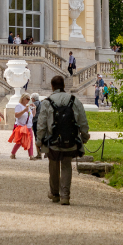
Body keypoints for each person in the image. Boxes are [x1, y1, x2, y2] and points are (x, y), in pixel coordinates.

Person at [37, 75, 90, 205]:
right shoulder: (74, 100)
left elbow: (41, 124)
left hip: (53, 140)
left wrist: (39, 141)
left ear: (52, 86)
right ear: (64, 86)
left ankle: (55, 194)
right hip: (70, 140)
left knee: (53, 165)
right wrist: (84, 137)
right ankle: (65, 195)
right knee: (66, 166)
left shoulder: (47, 102)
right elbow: (83, 121)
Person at [8, 93, 36, 159]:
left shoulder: (27, 106)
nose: (28, 101)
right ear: (23, 99)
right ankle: (13, 153)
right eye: (27, 99)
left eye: (29, 99)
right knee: (20, 141)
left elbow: (33, 115)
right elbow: (16, 115)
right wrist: (24, 111)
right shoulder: (19, 106)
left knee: (30, 141)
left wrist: (34, 108)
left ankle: (31, 155)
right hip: (21, 126)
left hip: (28, 126)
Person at [31, 93, 42, 158]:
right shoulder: (41, 103)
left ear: (33, 98)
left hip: (35, 121)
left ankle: (39, 154)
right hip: (41, 121)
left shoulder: (34, 104)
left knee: (36, 137)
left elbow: (31, 112)